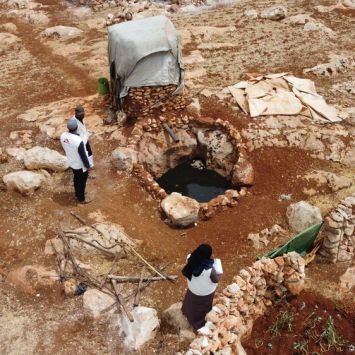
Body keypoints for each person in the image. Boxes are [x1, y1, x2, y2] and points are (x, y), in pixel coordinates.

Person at [181, 244, 219, 329]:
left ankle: (187, 312)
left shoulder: (190, 258)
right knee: (201, 308)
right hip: (204, 293)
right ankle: (198, 323)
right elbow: (216, 280)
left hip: (192, 288)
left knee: (190, 302)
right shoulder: (210, 269)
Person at [60, 118, 94, 204]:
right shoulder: (78, 140)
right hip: (80, 165)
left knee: (76, 177)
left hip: (71, 162)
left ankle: (77, 193)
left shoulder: (63, 135)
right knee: (82, 181)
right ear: (77, 127)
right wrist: (87, 165)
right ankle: (81, 198)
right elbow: (83, 155)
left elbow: (64, 148)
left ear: (67, 127)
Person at [72, 106, 96, 179]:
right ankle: (86, 172)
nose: (82, 116)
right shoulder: (74, 123)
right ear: (75, 113)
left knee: (89, 152)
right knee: (83, 156)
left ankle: (90, 164)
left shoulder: (81, 119)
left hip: (85, 140)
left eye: (83, 114)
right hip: (80, 143)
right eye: (80, 114)